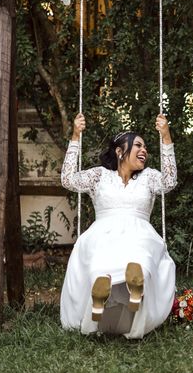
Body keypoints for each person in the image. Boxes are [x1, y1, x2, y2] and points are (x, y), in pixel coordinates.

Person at [60, 112, 176, 339]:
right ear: (120, 151)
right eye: (138, 145)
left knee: (140, 260)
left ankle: (135, 287)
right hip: (104, 232)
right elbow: (68, 180)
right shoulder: (99, 176)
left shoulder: (150, 177)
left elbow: (169, 182)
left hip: (139, 234)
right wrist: (75, 136)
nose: (144, 151)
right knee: (98, 263)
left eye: (146, 147)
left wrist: (166, 137)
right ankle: (100, 296)